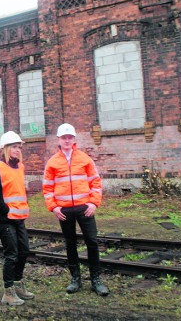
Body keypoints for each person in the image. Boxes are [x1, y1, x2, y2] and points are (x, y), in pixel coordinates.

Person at [42, 123, 109, 296]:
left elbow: (95, 182)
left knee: (92, 242)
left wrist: (94, 203)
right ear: (59, 139)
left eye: (69, 137)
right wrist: (54, 207)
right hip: (64, 210)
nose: (67, 140)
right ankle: (75, 279)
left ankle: (96, 281)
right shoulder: (53, 162)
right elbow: (47, 188)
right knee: (70, 243)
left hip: (84, 208)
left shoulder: (85, 159)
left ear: (74, 139)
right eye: (64, 137)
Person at [0, 131, 34, 306]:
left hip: (19, 218)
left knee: (24, 251)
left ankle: (18, 284)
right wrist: (5, 210)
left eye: (19, 147)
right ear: (6, 148)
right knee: (11, 254)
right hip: (5, 220)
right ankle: (8, 292)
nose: (17, 149)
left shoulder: (20, 166)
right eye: (14, 146)